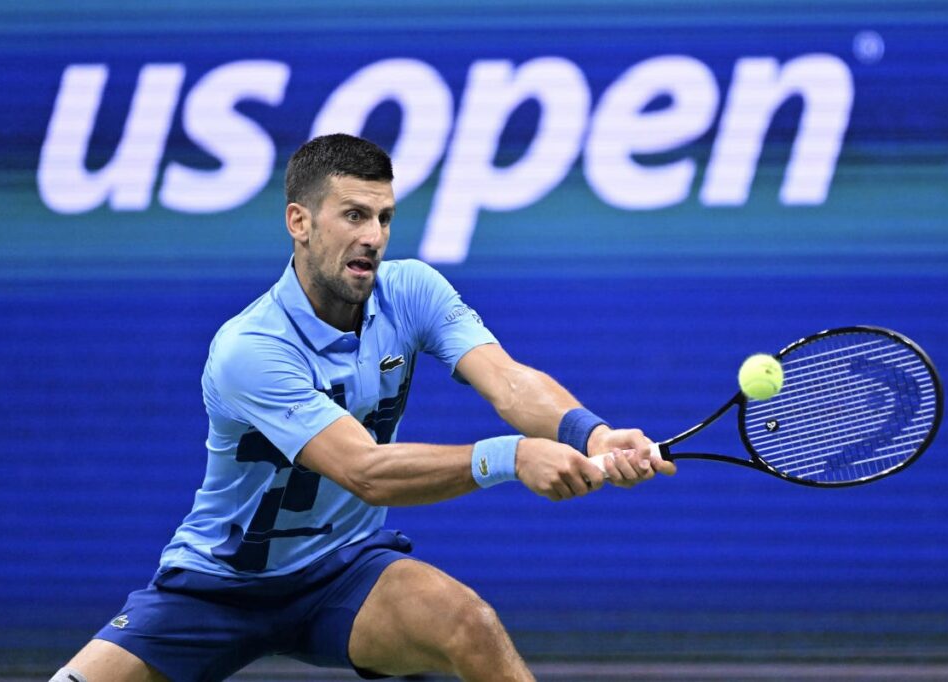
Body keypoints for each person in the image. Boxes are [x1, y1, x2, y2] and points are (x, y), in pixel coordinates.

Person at [52, 133, 676, 682]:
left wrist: (591, 434)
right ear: (300, 222)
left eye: (383, 218)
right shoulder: (251, 348)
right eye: (354, 215)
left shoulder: (411, 290)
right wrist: (510, 456)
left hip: (341, 572)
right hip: (217, 586)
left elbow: (509, 384)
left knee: (470, 624)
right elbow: (364, 472)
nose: (372, 237)